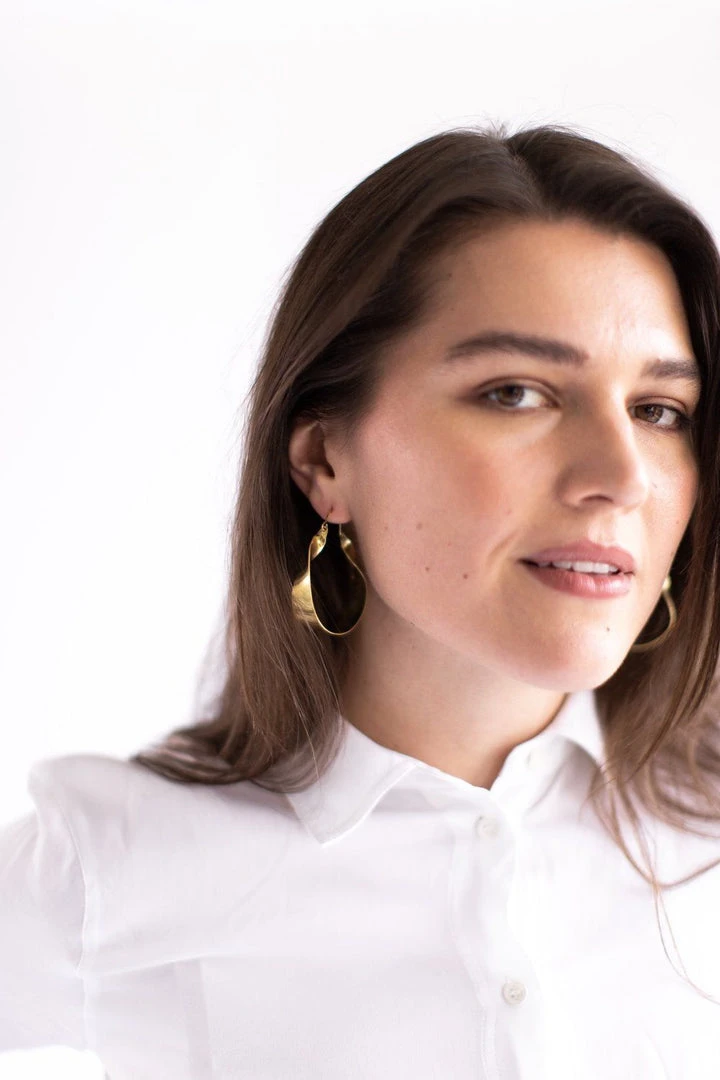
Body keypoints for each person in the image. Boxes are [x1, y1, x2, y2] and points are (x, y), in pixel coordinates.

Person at [3, 120, 720, 1079]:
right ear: (324, 460)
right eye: (516, 393)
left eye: (660, 411)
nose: (623, 476)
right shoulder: (113, 864)